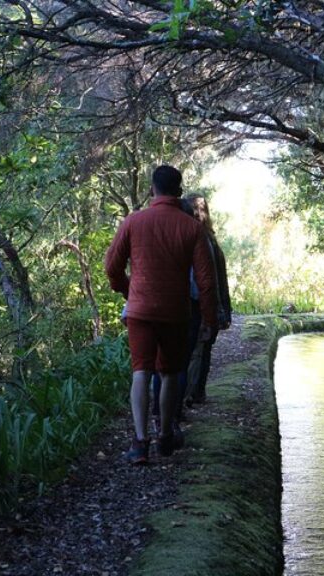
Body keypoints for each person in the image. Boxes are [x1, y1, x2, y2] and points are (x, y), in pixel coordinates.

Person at [105, 165, 217, 464]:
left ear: (152, 189)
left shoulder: (133, 221)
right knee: (169, 372)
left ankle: (140, 443)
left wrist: (128, 291)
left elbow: (111, 267)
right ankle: (165, 434)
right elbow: (207, 281)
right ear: (179, 190)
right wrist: (208, 319)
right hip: (175, 313)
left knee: (141, 371)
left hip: (140, 312)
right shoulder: (192, 228)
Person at [183, 193, 231, 406]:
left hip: (199, 305)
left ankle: (189, 395)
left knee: (196, 351)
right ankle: (196, 392)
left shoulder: (199, 240)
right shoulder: (210, 239)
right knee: (203, 350)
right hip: (210, 304)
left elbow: (202, 281)